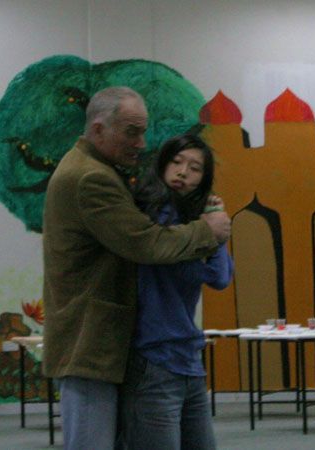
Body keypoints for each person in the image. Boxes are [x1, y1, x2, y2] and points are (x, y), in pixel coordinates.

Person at [42, 87, 231, 450]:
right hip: (92, 344)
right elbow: (146, 244)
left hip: (114, 348)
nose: (141, 144)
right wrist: (209, 231)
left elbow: (217, 276)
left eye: (143, 132)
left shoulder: (97, 169)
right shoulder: (91, 177)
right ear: (98, 130)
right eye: (131, 132)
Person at [120, 135, 233, 450]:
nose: (183, 172)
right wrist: (211, 231)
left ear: (203, 180)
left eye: (195, 168)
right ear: (162, 164)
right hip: (154, 358)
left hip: (187, 357)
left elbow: (220, 278)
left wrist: (216, 227)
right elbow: (198, 273)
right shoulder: (154, 216)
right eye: (177, 162)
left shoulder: (190, 220)